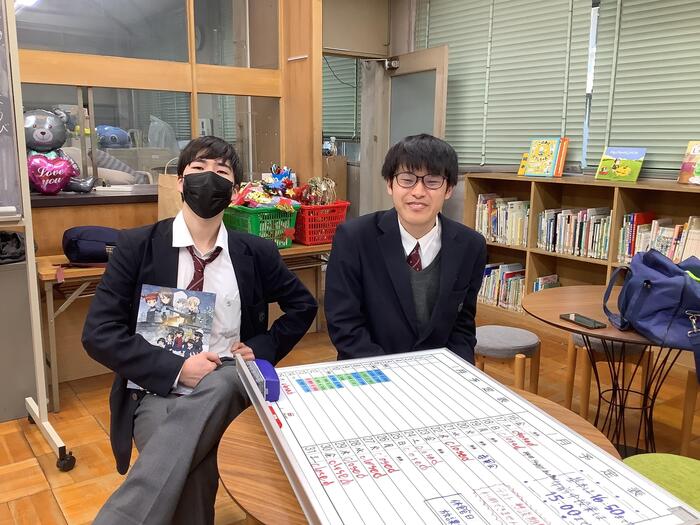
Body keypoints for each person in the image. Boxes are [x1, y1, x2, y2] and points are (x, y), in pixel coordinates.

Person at [82, 135, 317, 525]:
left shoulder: (255, 252)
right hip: (157, 390)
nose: (209, 178)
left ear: (235, 191)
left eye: (221, 171)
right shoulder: (137, 247)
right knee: (190, 471)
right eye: (198, 168)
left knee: (222, 381)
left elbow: (303, 305)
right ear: (180, 182)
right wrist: (177, 369)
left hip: (229, 381)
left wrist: (262, 347)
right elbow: (99, 333)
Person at [324, 133, 486, 363]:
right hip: (372, 372)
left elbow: (463, 326)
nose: (418, 192)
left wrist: (455, 372)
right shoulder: (354, 238)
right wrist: (394, 376)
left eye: (432, 181)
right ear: (390, 184)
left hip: (437, 373)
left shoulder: (470, 246)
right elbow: (344, 325)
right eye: (407, 179)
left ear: (449, 189)